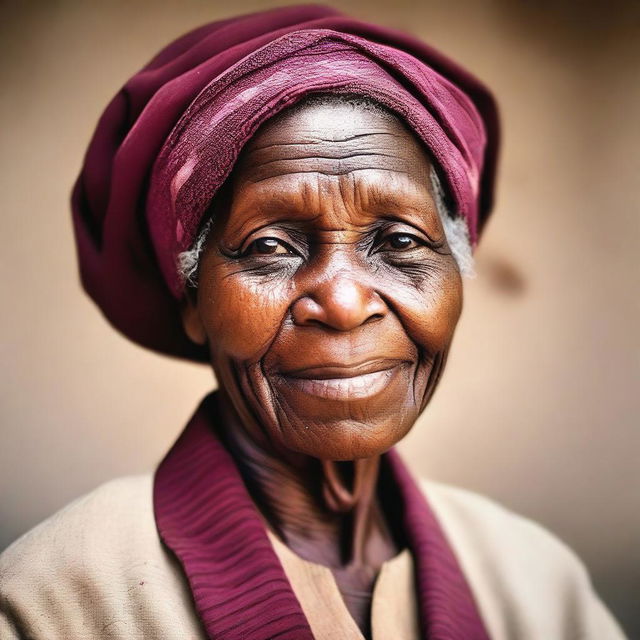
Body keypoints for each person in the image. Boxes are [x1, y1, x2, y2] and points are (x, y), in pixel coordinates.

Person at [0, 5, 627, 639]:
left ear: (457, 271)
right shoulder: (55, 600)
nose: (346, 304)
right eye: (271, 246)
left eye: (400, 241)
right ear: (192, 299)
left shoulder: (537, 587)